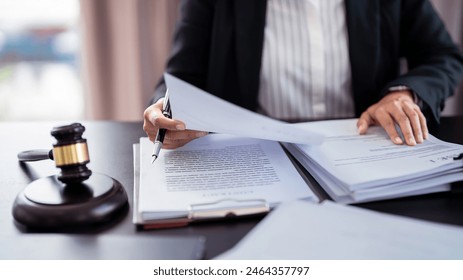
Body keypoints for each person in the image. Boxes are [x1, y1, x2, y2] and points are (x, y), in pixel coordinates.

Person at [143, 0, 463, 149]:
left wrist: (404, 92)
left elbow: (443, 56)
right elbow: (179, 79)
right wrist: (165, 111)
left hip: (365, 150)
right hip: (252, 157)